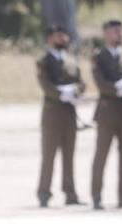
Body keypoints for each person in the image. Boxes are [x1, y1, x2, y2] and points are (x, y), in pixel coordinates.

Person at [90, 19, 122, 209]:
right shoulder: (99, 56)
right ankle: (96, 195)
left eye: (120, 32)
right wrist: (118, 89)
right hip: (108, 110)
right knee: (102, 154)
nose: (118, 35)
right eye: (114, 32)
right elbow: (101, 82)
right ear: (105, 34)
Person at [36, 25, 85, 207]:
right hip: (52, 113)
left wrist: (76, 91)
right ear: (50, 39)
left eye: (64, 36)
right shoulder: (44, 61)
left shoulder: (72, 60)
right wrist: (60, 93)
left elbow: (81, 81)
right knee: (49, 155)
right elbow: (45, 84)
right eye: (58, 36)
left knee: (69, 155)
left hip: (69, 113)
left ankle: (70, 192)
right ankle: (44, 192)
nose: (63, 39)